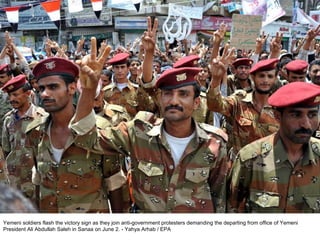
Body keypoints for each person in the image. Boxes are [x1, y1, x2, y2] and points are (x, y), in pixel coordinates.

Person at [70, 18, 230, 213]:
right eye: (168, 94)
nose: (174, 101)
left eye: (183, 94)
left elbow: (219, 199)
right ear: (159, 99)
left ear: (197, 102)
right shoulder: (139, 131)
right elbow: (85, 138)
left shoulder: (214, 143)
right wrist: (88, 91)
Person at [29, 52, 126, 213]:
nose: (44, 94)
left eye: (53, 87)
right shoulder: (35, 132)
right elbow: (39, 182)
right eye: (41, 88)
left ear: (72, 88)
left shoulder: (99, 129)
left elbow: (115, 185)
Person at [229, 82, 320, 213]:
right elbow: (232, 207)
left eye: (312, 115)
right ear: (277, 116)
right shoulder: (250, 158)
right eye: (296, 115)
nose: (306, 124)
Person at [207, 55, 280, 161]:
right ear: (253, 77)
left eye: (270, 76)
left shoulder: (280, 108)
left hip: (269, 167)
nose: (265, 80)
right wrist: (216, 79)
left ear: (275, 79)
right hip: (241, 167)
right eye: (261, 76)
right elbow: (215, 105)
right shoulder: (239, 101)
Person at [1, 74, 48, 206]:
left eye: (15, 94)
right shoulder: (8, 120)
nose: (11, 99)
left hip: (38, 182)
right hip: (16, 183)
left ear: (28, 93)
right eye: (10, 95)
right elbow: (6, 150)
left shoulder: (43, 118)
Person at [102, 52, 156, 118]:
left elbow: (148, 109)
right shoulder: (106, 91)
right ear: (112, 69)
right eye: (117, 67)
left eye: (122, 67)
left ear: (128, 69)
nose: (120, 71)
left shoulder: (137, 90)